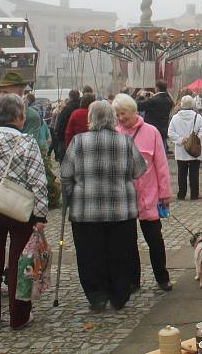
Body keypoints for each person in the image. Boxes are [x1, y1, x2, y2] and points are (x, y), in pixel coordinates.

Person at [60, 101, 147, 311]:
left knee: (89, 255)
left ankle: (96, 295)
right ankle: (119, 295)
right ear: (113, 118)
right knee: (120, 253)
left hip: (85, 212)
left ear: (91, 118)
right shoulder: (125, 142)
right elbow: (139, 170)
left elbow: (65, 175)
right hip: (121, 210)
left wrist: (73, 195)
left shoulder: (78, 142)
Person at [0, 94, 49, 330]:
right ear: (20, 116)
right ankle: (19, 317)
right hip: (18, 208)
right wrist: (40, 214)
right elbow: (38, 181)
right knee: (20, 262)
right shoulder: (26, 142)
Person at [113, 94, 173, 292]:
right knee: (128, 242)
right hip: (126, 196)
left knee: (154, 239)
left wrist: (165, 193)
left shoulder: (151, 131)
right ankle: (133, 280)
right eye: (118, 114)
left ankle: (162, 277)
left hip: (150, 194)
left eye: (124, 114)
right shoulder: (115, 134)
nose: (121, 118)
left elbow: (161, 165)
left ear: (134, 112)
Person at [0, 72, 47, 150]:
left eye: (5, 93)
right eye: (0, 92)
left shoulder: (32, 116)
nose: (1, 96)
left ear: (20, 93)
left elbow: (32, 147)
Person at [168, 95, 202, 200]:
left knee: (182, 173)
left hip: (181, 150)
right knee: (194, 173)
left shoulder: (175, 118)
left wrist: (181, 139)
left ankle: (181, 194)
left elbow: (170, 133)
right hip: (194, 150)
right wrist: (195, 139)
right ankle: (194, 194)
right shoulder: (197, 117)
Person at [137, 80, 175, 152]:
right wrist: (153, 96)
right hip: (163, 130)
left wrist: (140, 97)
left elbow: (138, 106)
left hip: (151, 131)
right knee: (162, 154)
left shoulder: (153, 100)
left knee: (151, 153)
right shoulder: (169, 101)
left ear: (157, 88)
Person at [54, 89, 81, 162]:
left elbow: (60, 125)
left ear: (70, 97)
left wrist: (59, 136)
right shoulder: (81, 108)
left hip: (65, 139)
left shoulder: (67, 109)